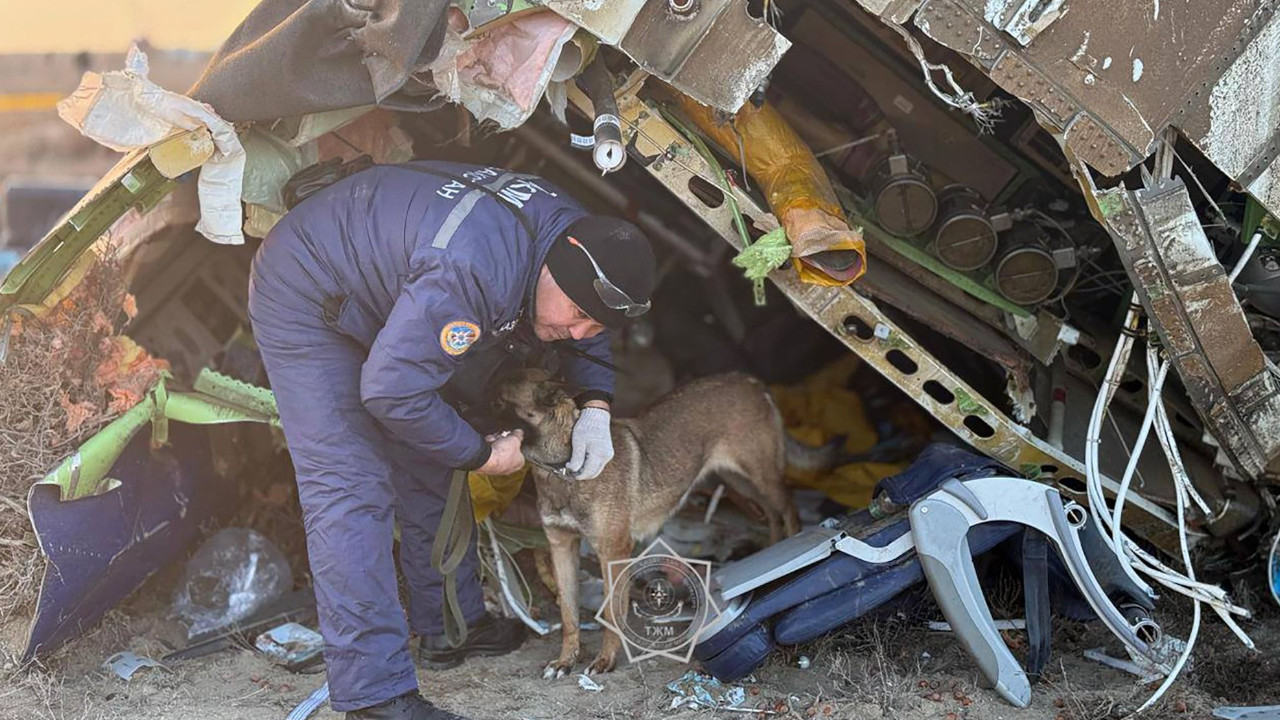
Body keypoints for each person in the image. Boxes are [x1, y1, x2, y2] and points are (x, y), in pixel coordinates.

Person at [247, 161, 657, 720]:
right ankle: (376, 696)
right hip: (309, 289)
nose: (581, 333)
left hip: (389, 282)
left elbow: (585, 328)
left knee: (428, 452)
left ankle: (450, 628)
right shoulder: (473, 272)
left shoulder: (574, 238)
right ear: (552, 274)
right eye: (579, 315)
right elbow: (391, 392)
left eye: (598, 325)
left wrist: (596, 405)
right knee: (349, 486)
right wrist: (485, 455)